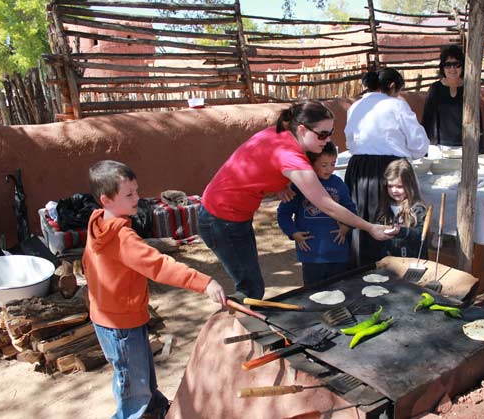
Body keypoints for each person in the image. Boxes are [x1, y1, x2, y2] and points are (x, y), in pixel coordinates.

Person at [199, 100, 392, 299]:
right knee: (250, 289)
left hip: (227, 213)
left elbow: (262, 163)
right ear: (301, 129)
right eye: (322, 134)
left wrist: (279, 185)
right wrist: (370, 227)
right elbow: (327, 205)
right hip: (221, 219)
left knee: (252, 285)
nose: (327, 140)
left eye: (331, 133)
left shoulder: (282, 132)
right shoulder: (291, 157)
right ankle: (227, 327)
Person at [83, 160, 226, 419]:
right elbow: (159, 266)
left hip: (112, 315)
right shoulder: (123, 239)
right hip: (120, 324)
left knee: (140, 372)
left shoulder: (97, 222)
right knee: (132, 388)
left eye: (136, 191)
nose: (138, 198)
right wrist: (204, 282)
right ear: (106, 200)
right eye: (129, 194)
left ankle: (156, 407)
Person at [344, 68, 430, 266]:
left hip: (358, 171)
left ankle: (361, 272)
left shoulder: (355, 106)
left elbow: (350, 142)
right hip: (389, 169)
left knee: (361, 222)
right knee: (386, 222)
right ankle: (388, 271)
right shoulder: (396, 105)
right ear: (392, 86)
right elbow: (419, 145)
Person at [277, 141, 355, 286]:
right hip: (311, 255)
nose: (329, 169)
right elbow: (283, 214)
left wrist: (346, 227)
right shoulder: (300, 185)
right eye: (324, 165)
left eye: (333, 164)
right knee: (313, 293)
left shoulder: (338, 184)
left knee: (339, 290)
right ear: (311, 164)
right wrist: (293, 233)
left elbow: (351, 209)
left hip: (338, 253)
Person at [375, 159, 428, 260]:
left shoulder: (417, 209)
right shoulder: (384, 207)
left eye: (399, 186)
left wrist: (401, 231)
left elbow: (421, 235)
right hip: (389, 263)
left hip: (412, 263)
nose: (394, 190)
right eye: (390, 186)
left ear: (410, 185)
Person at [422, 45, 466, 148]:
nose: (452, 69)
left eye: (456, 64)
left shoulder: (469, 89)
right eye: (448, 65)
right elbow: (427, 119)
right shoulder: (435, 89)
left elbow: (477, 120)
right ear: (442, 67)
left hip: (465, 146)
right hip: (440, 147)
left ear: (463, 66)